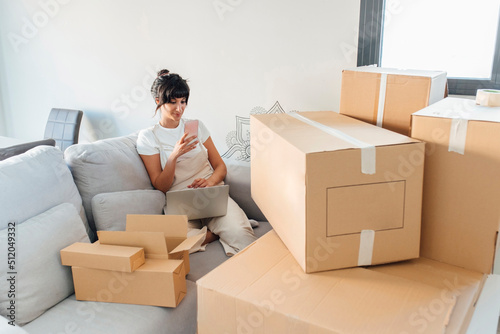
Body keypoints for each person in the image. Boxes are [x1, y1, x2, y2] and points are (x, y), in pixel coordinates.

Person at [136, 69, 257, 256]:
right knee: (169, 247)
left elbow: (220, 166)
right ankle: (215, 234)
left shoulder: (196, 126)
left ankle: (232, 227)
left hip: (210, 195)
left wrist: (211, 182)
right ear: (158, 101)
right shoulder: (148, 137)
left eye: (183, 102)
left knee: (243, 236)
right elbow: (160, 186)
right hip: (180, 204)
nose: (180, 108)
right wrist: (173, 156)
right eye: (173, 102)